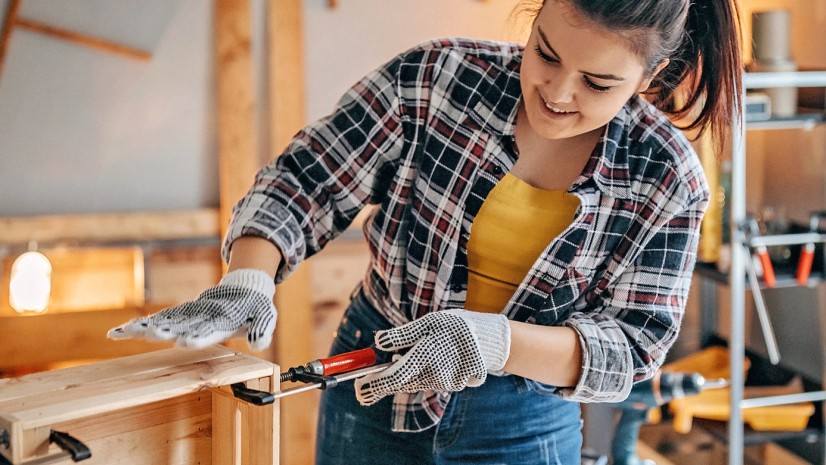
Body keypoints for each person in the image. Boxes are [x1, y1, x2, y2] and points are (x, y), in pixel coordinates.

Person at [109, 0, 742, 463]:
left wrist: (491, 341)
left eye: (598, 83)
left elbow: (631, 348)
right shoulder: (436, 79)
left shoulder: (668, 178)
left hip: (521, 417)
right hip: (374, 377)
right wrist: (250, 273)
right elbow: (306, 180)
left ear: (650, 79)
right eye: (545, 52)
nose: (555, 90)